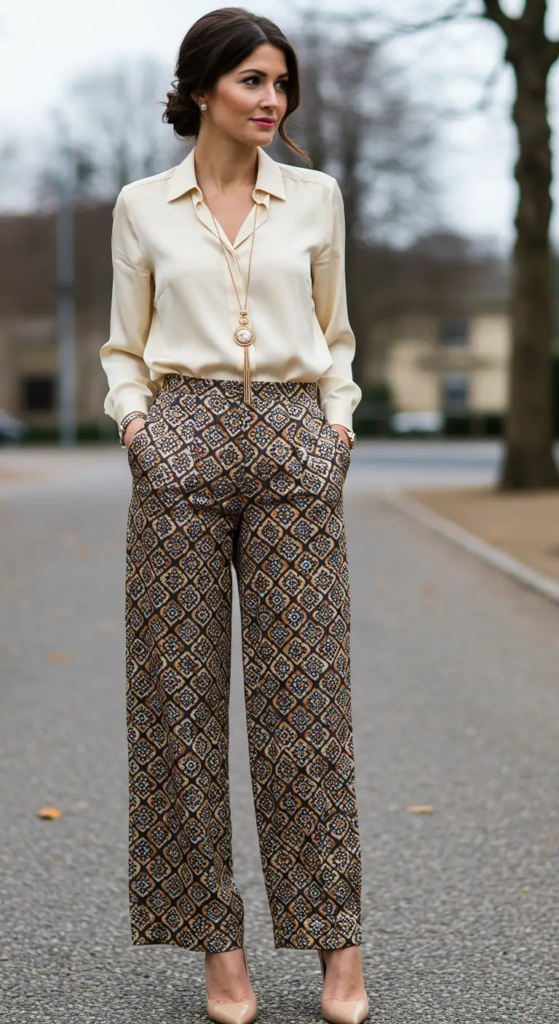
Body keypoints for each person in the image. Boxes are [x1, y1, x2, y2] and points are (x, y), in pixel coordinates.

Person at [100, 8, 368, 1023]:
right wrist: (138, 425)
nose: (272, 100)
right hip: (182, 441)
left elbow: (336, 331)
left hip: (297, 442)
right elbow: (125, 345)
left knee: (306, 708)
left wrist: (335, 423)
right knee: (177, 708)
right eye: (253, 80)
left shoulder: (315, 198)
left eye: (281, 83)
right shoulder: (142, 205)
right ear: (204, 86)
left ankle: (338, 943)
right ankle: (219, 947)